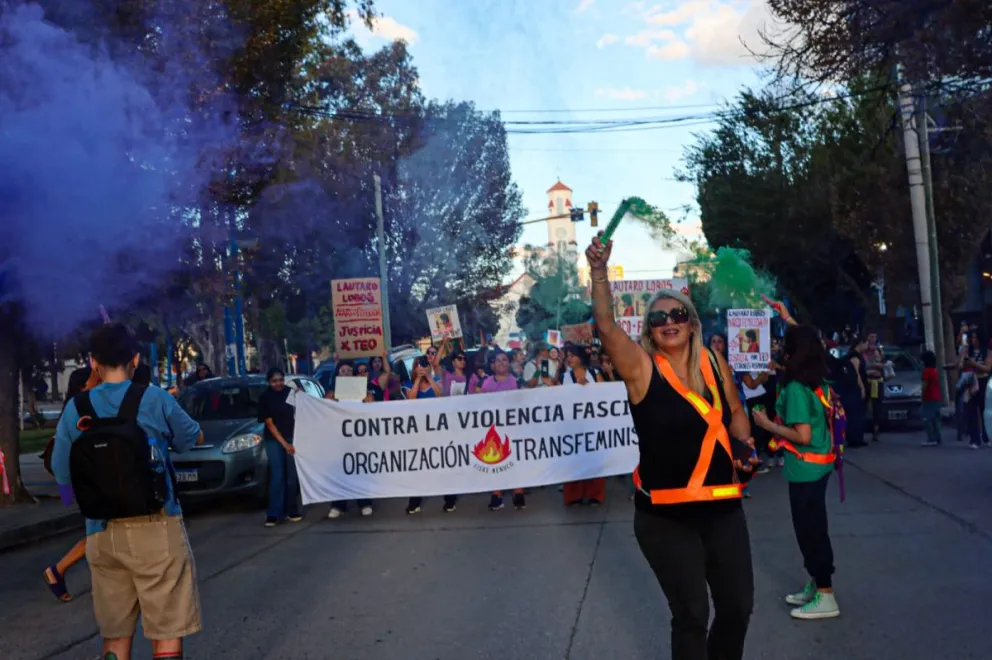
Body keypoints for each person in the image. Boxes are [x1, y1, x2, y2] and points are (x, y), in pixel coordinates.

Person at [587, 233, 757, 660]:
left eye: (677, 313)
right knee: (693, 615)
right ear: (649, 329)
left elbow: (735, 410)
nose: (668, 321)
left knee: (738, 607)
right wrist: (598, 271)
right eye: (658, 318)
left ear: (692, 320)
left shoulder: (713, 362)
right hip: (665, 517)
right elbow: (606, 326)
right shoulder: (642, 370)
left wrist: (744, 441)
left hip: (721, 509)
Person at [51, 323, 204, 660]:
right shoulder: (154, 398)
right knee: (165, 633)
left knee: (115, 635)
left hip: (101, 534)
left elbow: (62, 471)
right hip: (156, 529)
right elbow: (190, 437)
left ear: (93, 362)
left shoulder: (77, 408)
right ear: (135, 358)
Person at [753, 323, 840, 620]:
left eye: (783, 346)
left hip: (806, 469)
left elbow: (802, 435)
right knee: (814, 527)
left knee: (810, 532)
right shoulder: (817, 381)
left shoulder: (796, 388)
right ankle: (818, 585)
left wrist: (767, 425)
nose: (779, 350)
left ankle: (825, 593)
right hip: (820, 466)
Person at [42, 363, 101, 602]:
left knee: (100, 532)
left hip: (93, 481)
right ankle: (58, 569)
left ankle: (61, 571)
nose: (99, 380)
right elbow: (61, 459)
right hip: (89, 481)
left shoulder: (87, 407)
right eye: (94, 378)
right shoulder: (77, 413)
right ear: (83, 385)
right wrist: (67, 492)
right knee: (98, 532)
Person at [479, 351, 527, 510]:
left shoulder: (517, 382)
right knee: (495, 460)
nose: (501, 363)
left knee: (515, 459)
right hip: (493, 429)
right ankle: (496, 493)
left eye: (504, 360)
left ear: (509, 363)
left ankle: (518, 491)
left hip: (513, 428)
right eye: (497, 360)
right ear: (492, 365)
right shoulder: (486, 383)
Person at [561, 344, 607, 506]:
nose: (570, 358)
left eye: (573, 355)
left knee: (595, 460)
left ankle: (595, 494)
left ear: (581, 357)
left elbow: (605, 395)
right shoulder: (564, 376)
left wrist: (589, 386)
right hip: (572, 425)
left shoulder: (595, 373)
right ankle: (574, 496)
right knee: (573, 460)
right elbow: (557, 398)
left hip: (593, 424)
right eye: (568, 356)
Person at [258, 368, 302, 527]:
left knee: (292, 476)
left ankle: (292, 509)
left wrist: (301, 396)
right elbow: (269, 424)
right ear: (269, 382)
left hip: (292, 436)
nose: (278, 384)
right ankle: (274, 513)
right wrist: (285, 445)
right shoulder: (265, 398)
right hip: (274, 440)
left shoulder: (290, 393)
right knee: (278, 475)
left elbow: (302, 410)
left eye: (280, 380)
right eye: (274, 381)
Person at [404, 357, 448, 514]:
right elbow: (411, 399)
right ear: (414, 369)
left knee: (442, 464)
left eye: (424, 365)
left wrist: (429, 377)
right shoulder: (409, 385)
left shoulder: (436, 380)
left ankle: (449, 500)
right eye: (418, 366)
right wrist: (418, 379)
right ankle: (414, 502)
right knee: (417, 467)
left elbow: (440, 395)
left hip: (437, 429)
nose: (421, 368)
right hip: (418, 432)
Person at [921, 350, 943, 446]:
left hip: (929, 397)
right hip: (937, 397)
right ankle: (937, 437)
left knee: (927, 419)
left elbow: (924, 385)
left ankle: (931, 438)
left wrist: (921, 395)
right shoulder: (934, 371)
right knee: (936, 419)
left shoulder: (926, 371)